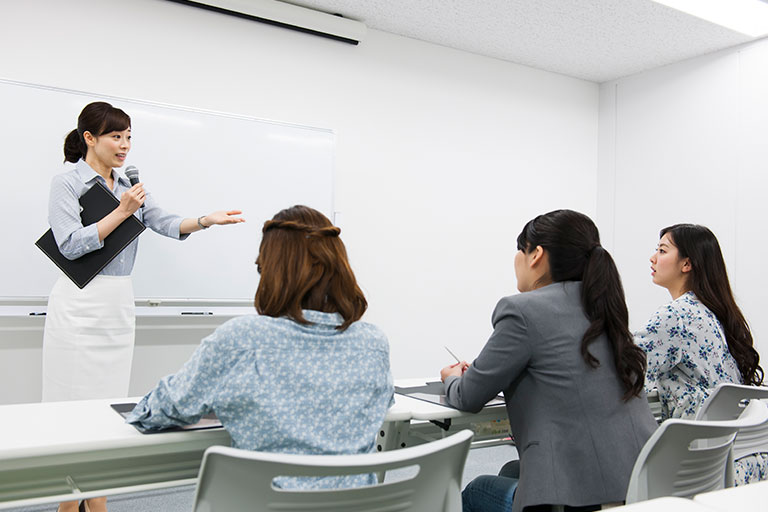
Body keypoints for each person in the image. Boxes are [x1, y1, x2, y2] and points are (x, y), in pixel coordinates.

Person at [44, 101, 244, 512]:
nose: (124, 146)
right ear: (89, 139)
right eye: (116, 136)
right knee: (70, 409)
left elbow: (166, 222)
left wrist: (205, 220)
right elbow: (69, 243)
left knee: (105, 409)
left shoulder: (130, 185)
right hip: (79, 300)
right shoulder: (67, 183)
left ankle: (95, 496)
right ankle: (70, 502)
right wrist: (121, 212)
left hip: (117, 302)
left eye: (129, 137)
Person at [126, 205, 394, 490]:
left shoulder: (242, 339)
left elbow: (163, 410)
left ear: (269, 270)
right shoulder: (372, 343)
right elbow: (381, 404)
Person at [440, 209, 657, 512]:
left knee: (476, 490)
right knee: (511, 471)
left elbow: (468, 395)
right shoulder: (604, 306)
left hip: (576, 497)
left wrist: (450, 377)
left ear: (536, 255)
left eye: (520, 250)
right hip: (638, 485)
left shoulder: (522, 310)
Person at [635, 223, 764, 483]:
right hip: (738, 463)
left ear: (686, 264)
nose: (652, 258)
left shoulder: (675, 315)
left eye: (662, 250)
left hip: (697, 465)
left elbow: (626, 366)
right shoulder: (713, 314)